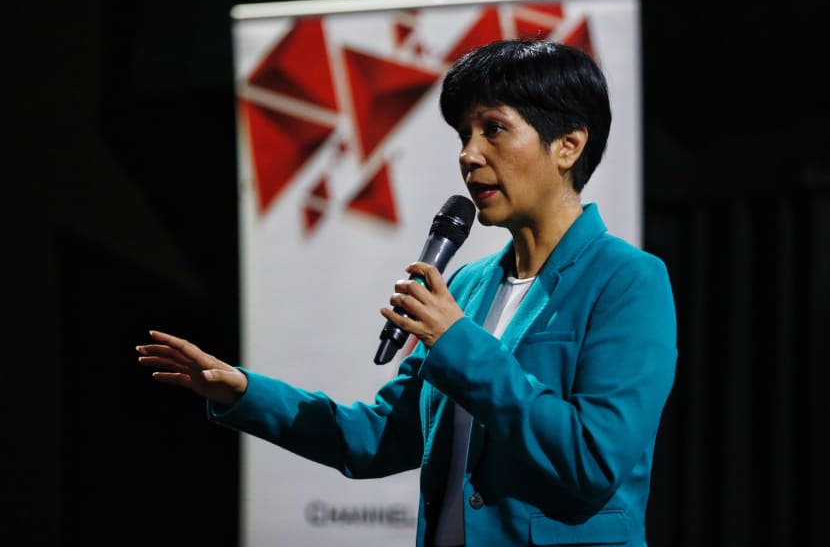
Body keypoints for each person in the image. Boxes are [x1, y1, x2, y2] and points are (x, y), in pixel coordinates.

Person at [137, 38, 677, 547]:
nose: (469, 155)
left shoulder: (628, 280)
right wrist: (243, 392)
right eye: (463, 135)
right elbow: (377, 436)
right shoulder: (465, 286)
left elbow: (593, 460)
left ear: (568, 145)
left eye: (493, 130)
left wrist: (457, 340)